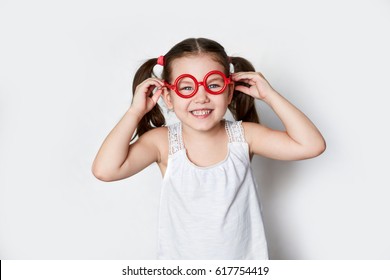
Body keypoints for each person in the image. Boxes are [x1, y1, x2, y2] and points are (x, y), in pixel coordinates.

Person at [92, 38, 326, 260]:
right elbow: (105, 170)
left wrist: (270, 95)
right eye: (186, 88)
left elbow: (311, 145)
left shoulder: (244, 136)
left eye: (213, 84)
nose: (201, 97)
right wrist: (135, 112)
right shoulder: (162, 142)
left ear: (229, 91)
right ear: (168, 97)